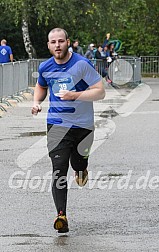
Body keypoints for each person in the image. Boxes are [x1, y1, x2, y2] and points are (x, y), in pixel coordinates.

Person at [31, 28, 105, 233]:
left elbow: (100, 92)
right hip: (57, 124)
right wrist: (37, 102)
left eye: (61, 41)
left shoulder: (82, 64)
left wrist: (76, 95)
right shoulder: (45, 67)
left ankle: (81, 169)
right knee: (59, 168)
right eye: (53, 42)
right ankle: (61, 215)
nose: (57, 45)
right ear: (48, 45)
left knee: (78, 162)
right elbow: (41, 86)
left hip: (83, 126)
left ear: (68, 42)